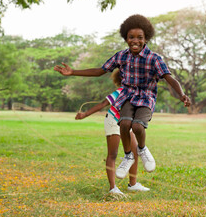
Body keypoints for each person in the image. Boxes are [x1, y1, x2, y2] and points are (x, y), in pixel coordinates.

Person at [54, 14, 191, 180]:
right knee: (124, 124)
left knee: (138, 127)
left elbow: (169, 78)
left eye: (139, 37)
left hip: (146, 97)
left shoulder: (155, 58)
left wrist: (182, 94)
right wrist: (73, 72)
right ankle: (128, 156)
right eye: (131, 37)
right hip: (127, 96)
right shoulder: (121, 56)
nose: (135, 41)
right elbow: (100, 71)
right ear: (125, 38)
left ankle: (142, 148)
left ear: (146, 38)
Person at [75, 69, 149, 195]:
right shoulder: (119, 92)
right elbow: (102, 104)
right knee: (112, 154)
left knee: (135, 151)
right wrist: (85, 114)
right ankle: (113, 188)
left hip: (127, 123)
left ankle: (133, 184)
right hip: (113, 121)